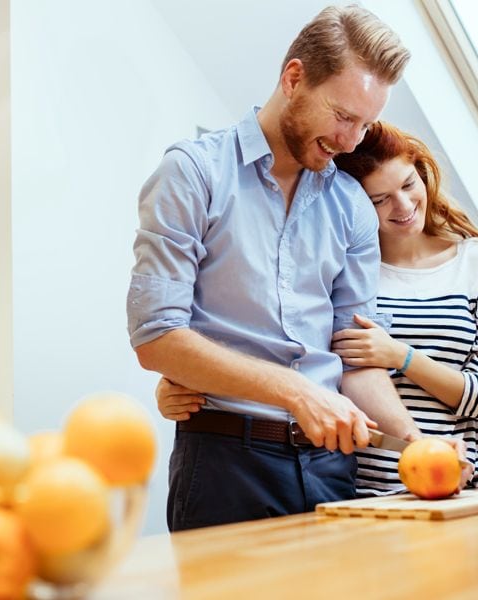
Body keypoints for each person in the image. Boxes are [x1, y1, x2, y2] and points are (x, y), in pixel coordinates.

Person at [127, 6, 424, 532]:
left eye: (366, 124)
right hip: (222, 465)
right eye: (343, 116)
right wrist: (296, 391)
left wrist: (415, 440)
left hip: (332, 468)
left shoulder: (352, 205)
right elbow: (157, 337)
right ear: (294, 79)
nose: (352, 141)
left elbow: (354, 358)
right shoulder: (193, 173)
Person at [159, 122, 478, 496]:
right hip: (362, 485)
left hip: (455, 474)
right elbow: (298, 354)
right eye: (380, 200)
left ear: (422, 171)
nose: (403, 206)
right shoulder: (342, 269)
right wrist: (187, 378)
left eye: (408, 184)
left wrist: (399, 355)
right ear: (357, 206)